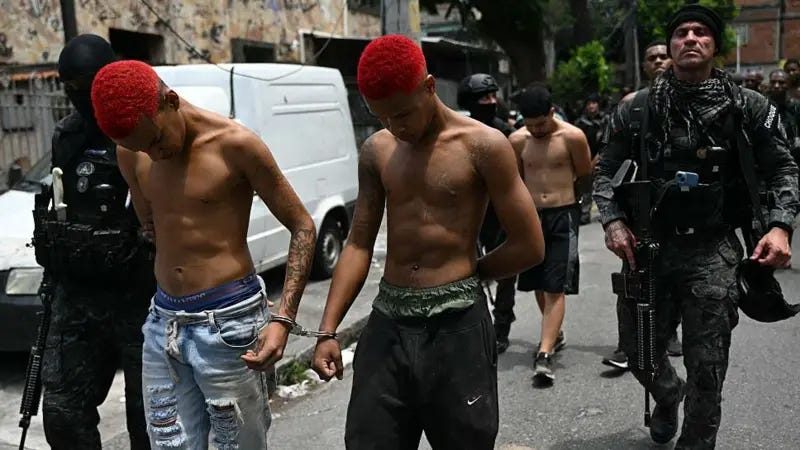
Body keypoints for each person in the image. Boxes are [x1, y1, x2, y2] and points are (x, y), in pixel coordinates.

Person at [310, 35, 544, 449]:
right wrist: (327, 329)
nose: (395, 127)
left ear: (430, 87)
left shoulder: (483, 145)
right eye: (381, 117)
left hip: (457, 327)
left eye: (402, 113)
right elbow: (359, 243)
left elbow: (529, 244)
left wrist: (472, 276)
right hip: (389, 321)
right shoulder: (377, 151)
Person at [593, 5, 798, 447]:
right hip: (648, 249)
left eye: (701, 32)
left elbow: (784, 169)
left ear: (715, 46)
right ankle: (668, 396)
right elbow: (604, 170)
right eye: (682, 32)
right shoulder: (637, 109)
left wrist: (780, 226)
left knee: (708, 370)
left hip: (713, 252)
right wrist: (611, 221)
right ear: (669, 46)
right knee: (640, 354)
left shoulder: (748, 106)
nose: (691, 38)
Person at [90, 60, 317, 449]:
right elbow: (153, 224)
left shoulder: (236, 145)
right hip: (164, 323)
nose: (154, 154)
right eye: (141, 148)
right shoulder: (133, 152)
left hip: (230, 325)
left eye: (157, 140)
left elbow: (303, 227)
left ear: (172, 101)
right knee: (166, 444)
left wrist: (283, 319)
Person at [31, 34, 153, 450]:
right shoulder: (66, 135)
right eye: (69, 87)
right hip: (77, 291)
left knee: (149, 421)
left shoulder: (141, 131)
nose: (78, 98)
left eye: (86, 86)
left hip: (139, 293)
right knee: (63, 415)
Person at [606, 40, 681, 371]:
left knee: (680, 280)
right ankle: (629, 344)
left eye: (664, 55)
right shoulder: (632, 106)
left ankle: (671, 333)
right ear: (645, 65)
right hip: (640, 212)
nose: (659, 61)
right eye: (652, 58)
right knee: (633, 282)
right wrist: (613, 219)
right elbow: (608, 164)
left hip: (681, 212)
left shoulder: (692, 101)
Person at [511, 85, 592, 385]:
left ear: (552, 112)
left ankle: (543, 353)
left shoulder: (572, 136)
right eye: (530, 125)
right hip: (532, 216)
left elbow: (584, 174)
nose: (536, 130)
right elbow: (515, 180)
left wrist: (579, 210)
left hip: (563, 214)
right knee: (538, 281)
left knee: (555, 284)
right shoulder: (517, 140)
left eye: (541, 124)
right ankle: (554, 334)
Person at [457, 73, 518, 353]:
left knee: (506, 274)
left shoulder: (504, 134)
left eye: (494, 96)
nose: (491, 102)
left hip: (500, 214)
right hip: (466, 214)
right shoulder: (457, 133)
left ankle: (502, 326)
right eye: (485, 97)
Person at [574, 93, 608, 224]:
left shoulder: (606, 120)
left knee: (604, 186)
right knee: (585, 187)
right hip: (584, 158)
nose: (591, 106)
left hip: (603, 157)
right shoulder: (580, 123)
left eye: (594, 103)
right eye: (589, 104)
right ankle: (585, 212)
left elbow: (608, 141)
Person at [766, 69, 800, 165]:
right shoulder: (762, 105)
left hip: (794, 156)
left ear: (788, 85)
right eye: (773, 82)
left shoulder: (796, 107)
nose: (777, 86)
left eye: (781, 82)